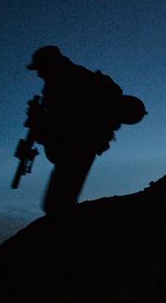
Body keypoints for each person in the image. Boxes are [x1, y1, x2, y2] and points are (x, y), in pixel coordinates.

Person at [24, 45, 145, 214]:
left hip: (80, 147)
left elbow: (70, 121)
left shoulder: (70, 80)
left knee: (58, 205)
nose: (39, 73)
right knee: (58, 204)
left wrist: (42, 123)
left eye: (40, 68)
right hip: (78, 147)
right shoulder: (62, 80)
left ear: (50, 64)